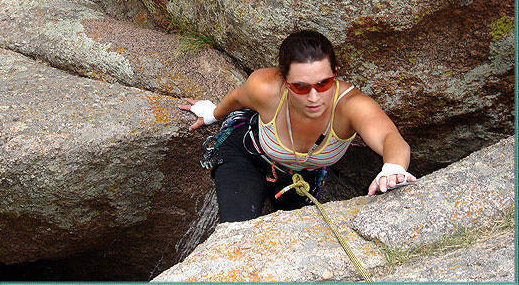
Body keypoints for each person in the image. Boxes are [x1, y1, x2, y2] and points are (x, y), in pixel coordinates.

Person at [178, 30, 416, 222]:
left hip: (299, 177)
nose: (314, 97)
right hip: (247, 154)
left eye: (324, 84)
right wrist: (211, 113)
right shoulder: (265, 88)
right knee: (235, 227)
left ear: (335, 73)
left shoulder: (351, 106)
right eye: (301, 87)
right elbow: (238, 98)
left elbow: (389, 138)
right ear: (284, 80)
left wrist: (393, 167)